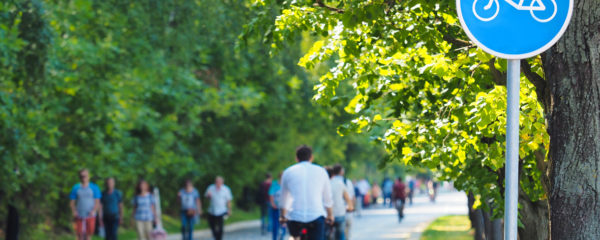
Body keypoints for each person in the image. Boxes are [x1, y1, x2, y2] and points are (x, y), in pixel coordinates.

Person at [280, 145, 334, 240]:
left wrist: (282, 216)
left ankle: (294, 238)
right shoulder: (321, 171)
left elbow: (284, 198)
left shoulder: (288, 172)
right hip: (316, 216)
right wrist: (330, 215)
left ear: (296, 158)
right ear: (311, 157)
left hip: (295, 217)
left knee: (294, 236)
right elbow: (327, 198)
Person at [69, 169, 102, 240]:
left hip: (90, 215)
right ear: (79, 177)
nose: (83, 178)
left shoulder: (94, 187)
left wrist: (94, 210)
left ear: (88, 176)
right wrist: (74, 211)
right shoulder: (76, 187)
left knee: (88, 235)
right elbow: (72, 202)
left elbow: (97, 202)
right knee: (79, 235)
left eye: (85, 176)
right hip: (79, 215)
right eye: (82, 176)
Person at [327, 164, 353, 240]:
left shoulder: (326, 183)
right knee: (341, 234)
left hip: (327, 215)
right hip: (339, 213)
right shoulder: (341, 183)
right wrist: (350, 207)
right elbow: (348, 198)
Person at [205, 176, 233, 240]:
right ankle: (216, 236)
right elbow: (207, 198)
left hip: (221, 210)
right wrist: (209, 196)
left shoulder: (226, 189)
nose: (218, 183)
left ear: (222, 182)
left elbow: (228, 200)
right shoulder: (211, 188)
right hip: (212, 210)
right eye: (217, 182)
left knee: (220, 227)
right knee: (212, 225)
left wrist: (229, 209)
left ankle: (219, 238)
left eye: (220, 182)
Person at [269, 173, 286, 240]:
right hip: (276, 208)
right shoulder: (274, 184)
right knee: (275, 224)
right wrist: (273, 204)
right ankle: (275, 237)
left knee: (283, 223)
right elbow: (271, 195)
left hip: (283, 209)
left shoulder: (286, 185)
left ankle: (282, 237)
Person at [341, 169, 355, 239]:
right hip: (348, 210)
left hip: (337, 211)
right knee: (348, 229)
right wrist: (352, 208)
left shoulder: (332, 181)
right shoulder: (348, 182)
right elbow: (352, 197)